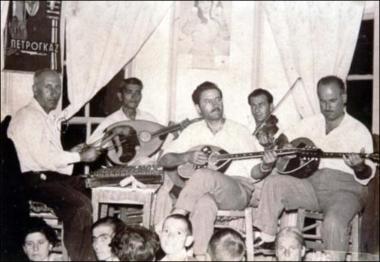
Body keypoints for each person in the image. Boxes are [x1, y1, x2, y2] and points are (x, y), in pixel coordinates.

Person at [252, 76, 376, 261]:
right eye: (322, 101)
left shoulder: (358, 130)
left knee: (333, 222)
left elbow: (366, 175)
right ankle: (267, 240)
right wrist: (285, 146)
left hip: (346, 190)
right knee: (274, 182)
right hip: (311, 185)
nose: (327, 107)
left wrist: (359, 166)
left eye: (333, 101)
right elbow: (285, 136)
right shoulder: (312, 122)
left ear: (344, 98)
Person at [8, 68, 101, 261]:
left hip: (49, 177)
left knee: (95, 190)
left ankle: (93, 253)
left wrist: (74, 152)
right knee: (80, 207)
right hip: (32, 181)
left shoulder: (46, 117)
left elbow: (51, 155)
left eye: (57, 87)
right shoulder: (28, 117)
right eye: (48, 87)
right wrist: (80, 157)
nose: (54, 92)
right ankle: (81, 259)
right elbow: (44, 158)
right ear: (35, 90)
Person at [158, 81, 258, 260]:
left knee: (203, 175)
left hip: (237, 190)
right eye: (208, 101)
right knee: (204, 203)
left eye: (218, 99)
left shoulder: (240, 131)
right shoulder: (192, 131)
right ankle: (199, 256)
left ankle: (176, 218)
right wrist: (186, 157)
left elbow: (256, 172)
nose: (215, 104)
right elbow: (164, 159)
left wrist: (266, 165)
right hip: (204, 193)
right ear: (198, 108)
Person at [247, 88, 289, 208]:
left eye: (261, 105)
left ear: (271, 107)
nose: (257, 109)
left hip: (268, 185)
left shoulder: (280, 133)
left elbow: (280, 165)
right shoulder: (248, 132)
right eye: (253, 105)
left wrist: (268, 147)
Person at [87, 77, 157, 146]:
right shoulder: (111, 120)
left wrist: (165, 154)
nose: (134, 97)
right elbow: (91, 144)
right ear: (120, 96)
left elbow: (164, 143)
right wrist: (114, 131)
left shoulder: (149, 118)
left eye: (137, 93)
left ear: (141, 96)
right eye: (129, 92)